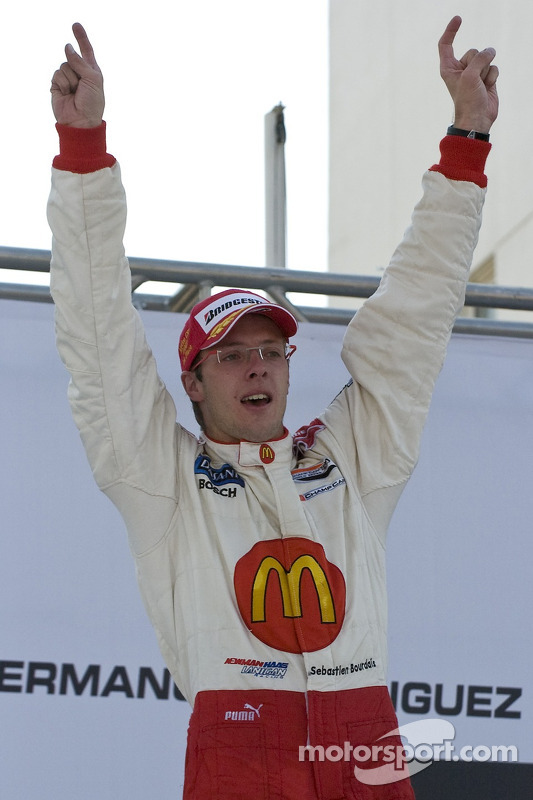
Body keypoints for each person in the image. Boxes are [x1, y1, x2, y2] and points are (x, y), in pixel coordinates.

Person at [48, 17, 498, 800]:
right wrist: (82, 150)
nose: (256, 368)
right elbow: (97, 333)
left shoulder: (351, 458)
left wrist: (464, 141)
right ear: (192, 381)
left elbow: (412, 321)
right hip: (239, 747)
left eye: (270, 351)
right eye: (230, 355)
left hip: (364, 744)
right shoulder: (162, 479)